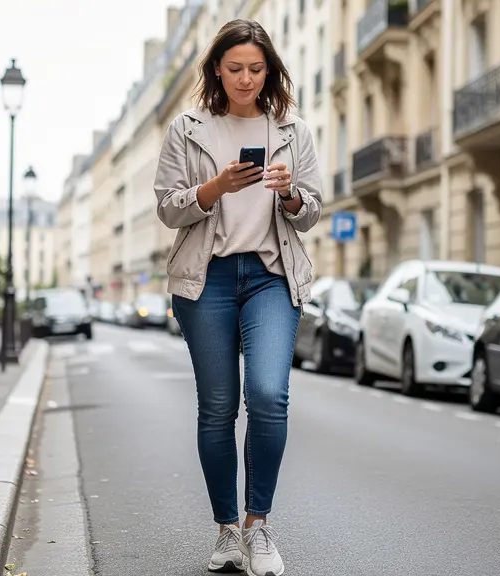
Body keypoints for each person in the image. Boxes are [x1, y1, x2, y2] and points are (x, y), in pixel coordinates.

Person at [153, 18, 322, 576]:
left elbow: (312, 212)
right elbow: (168, 207)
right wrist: (215, 188)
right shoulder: (188, 129)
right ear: (216, 71)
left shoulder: (293, 130)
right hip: (208, 279)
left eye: (255, 69)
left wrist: (290, 195)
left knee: (269, 395)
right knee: (219, 406)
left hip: (271, 276)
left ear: (269, 71)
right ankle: (227, 531)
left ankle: (258, 525)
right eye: (235, 69)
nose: (246, 79)